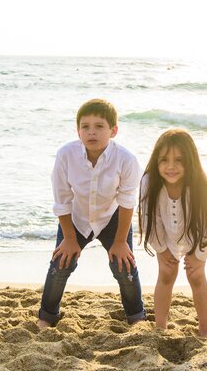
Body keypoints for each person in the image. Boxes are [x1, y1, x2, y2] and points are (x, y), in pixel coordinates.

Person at [37, 99, 146, 328]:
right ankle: (47, 317)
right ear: (78, 131)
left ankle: (136, 317)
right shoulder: (66, 155)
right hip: (76, 217)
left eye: (99, 126)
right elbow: (62, 200)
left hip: (112, 217)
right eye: (85, 126)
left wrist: (119, 242)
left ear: (113, 131)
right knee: (61, 265)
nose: (91, 132)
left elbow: (127, 201)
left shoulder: (126, 159)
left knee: (123, 266)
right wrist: (68, 238)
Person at [139, 129, 207, 338]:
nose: (170, 167)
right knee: (166, 274)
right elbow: (149, 219)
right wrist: (162, 250)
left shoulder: (199, 185)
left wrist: (198, 256)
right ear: (156, 161)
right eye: (164, 160)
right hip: (163, 233)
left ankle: (204, 328)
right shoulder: (149, 182)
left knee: (197, 276)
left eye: (179, 160)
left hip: (195, 235)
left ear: (190, 161)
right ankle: (160, 327)